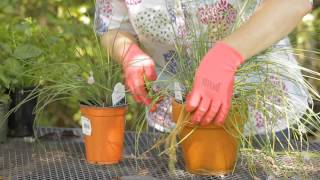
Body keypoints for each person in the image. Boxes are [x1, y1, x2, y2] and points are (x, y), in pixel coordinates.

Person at [95, 0, 314, 134]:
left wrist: (227, 55)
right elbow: (111, 27)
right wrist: (129, 55)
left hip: (264, 117)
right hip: (169, 121)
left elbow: (293, 2)